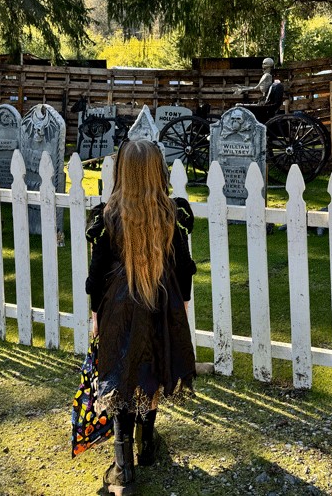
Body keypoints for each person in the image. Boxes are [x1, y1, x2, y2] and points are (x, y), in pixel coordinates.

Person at [85, 139, 197, 495]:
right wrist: (184, 307)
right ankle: (147, 444)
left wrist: (95, 314)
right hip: (161, 305)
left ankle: (124, 466)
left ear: (122, 174)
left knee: (121, 375)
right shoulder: (171, 214)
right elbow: (184, 268)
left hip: (120, 308)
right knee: (150, 373)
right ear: (157, 172)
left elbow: (97, 272)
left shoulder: (109, 216)